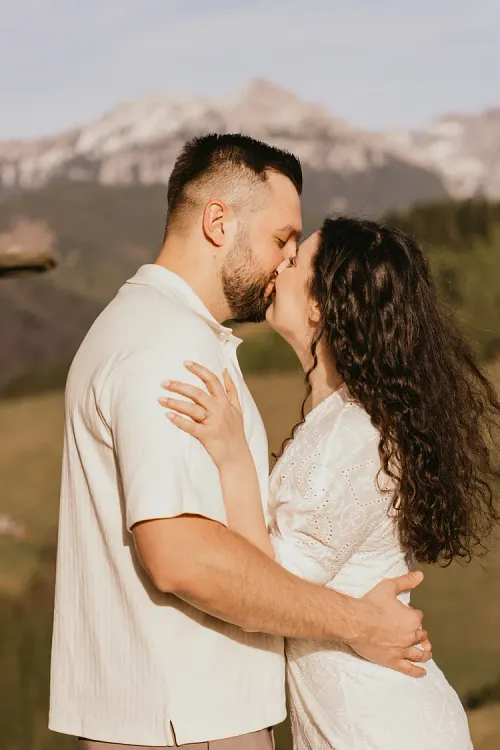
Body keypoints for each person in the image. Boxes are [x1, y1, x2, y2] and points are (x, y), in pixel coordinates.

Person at [50, 136, 430, 750]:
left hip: (177, 716)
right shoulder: (167, 347)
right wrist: (361, 622)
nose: (287, 260)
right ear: (218, 222)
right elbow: (183, 557)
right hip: (189, 723)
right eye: (282, 238)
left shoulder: (154, 328)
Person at [162, 216, 500, 749]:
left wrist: (232, 459)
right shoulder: (345, 422)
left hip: (377, 727)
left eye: (295, 261)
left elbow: (270, 585)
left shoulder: (349, 435)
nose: (280, 264)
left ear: (321, 305)